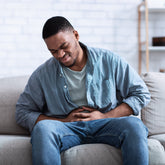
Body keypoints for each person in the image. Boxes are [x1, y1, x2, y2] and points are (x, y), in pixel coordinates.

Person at [16, 16, 150, 165]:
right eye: (53, 51)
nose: (60, 55)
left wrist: (105, 116)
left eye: (64, 46)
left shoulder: (109, 60)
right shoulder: (42, 74)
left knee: (134, 126)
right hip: (67, 128)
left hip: (108, 124)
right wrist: (63, 121)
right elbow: (23, 112)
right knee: (43, 129)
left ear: (76, 35)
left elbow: (140, 93)